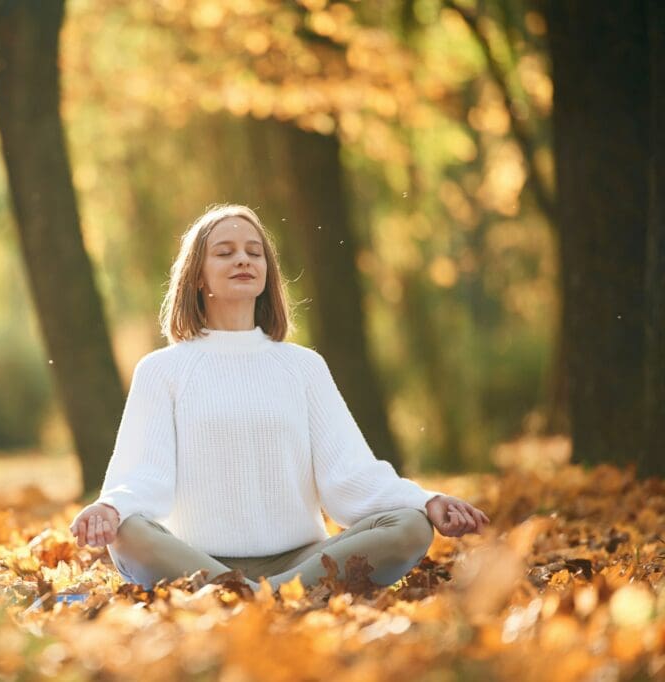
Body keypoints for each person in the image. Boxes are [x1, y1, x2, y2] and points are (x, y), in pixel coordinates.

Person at [69, 204, 489, 593]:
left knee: (411, 527)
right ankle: (272, 596)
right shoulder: (161, 370)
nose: (243, 260)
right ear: (197, 275)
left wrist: (426, 501)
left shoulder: (303, 367)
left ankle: (248, 596)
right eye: (225, 252)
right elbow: (143, 477)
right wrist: (111, 507)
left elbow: (351, 473)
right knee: (127, 531)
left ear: (267, 272)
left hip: (301, 560)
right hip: (194, 562)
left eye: (255, 252)